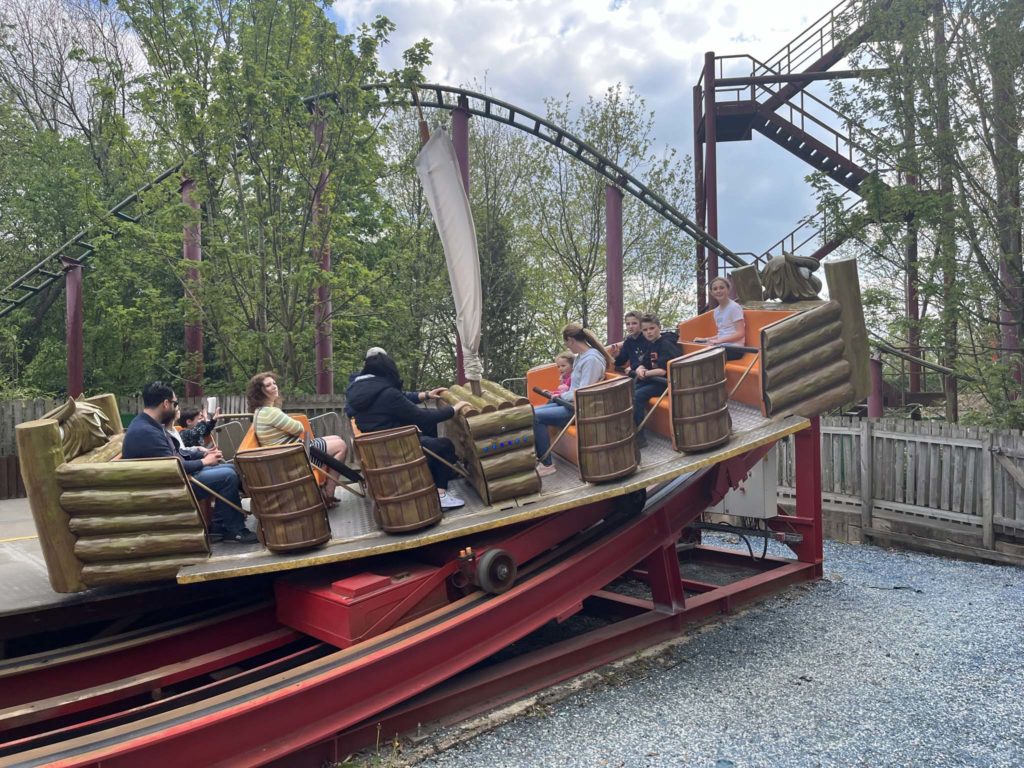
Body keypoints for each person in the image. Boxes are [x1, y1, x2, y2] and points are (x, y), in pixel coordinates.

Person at [122, 381, 257, 544]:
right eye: (175, 403)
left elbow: (176, 454)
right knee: (227, 476)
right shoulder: (146, 432)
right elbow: (173, 467)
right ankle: (234, 529)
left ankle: (220, 526)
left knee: (231, 468)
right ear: (165, 404)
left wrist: (202, 454)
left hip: (173, 478)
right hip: (168, 487)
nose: (176, 407)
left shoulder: (149, 424)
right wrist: (204, 462)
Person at [345, 351, 472, 510]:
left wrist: (426, 395)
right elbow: (422, 417)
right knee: (444, 445)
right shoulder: (387, 393)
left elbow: (400, 399)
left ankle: (432, 476)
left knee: (428, 432)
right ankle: (440, 495)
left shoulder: (359, 392)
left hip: (378, 450)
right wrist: (454, 409)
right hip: (397, 449)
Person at [246, 372, 350, 505]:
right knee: (341, 446)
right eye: (268, 385)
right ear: (260, 392)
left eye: (274, 383)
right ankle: (328, 492)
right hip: (294, 458)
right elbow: (299, 428)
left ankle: (324, 487)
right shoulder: (271, 412)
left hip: (289, 452)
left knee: (335, 438)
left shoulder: (260, 411)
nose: (274, 386)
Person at [534, 323, 614, 477]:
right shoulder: (581, 357)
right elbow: (574, 387)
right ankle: (539, 453)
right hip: (571, 402)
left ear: (571, 340)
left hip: (582, 407)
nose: (567, 347)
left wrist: (562, 396)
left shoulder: (591, 360)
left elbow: (583, 391)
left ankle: (547, 464)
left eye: (566, 343)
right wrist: (561, 394)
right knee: (532, 412)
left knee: (536, 417)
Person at [633, 314, 683, 445]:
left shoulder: (665, 344)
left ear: (659, 328)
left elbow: (662, 371)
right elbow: (644, 363)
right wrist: (640, 369)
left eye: (652, 328)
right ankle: (631, 429)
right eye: (645, 330)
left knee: (637, 396)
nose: (649, 332)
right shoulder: (652, 344)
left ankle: (640, 437)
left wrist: (645, 373)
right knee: (629, 391)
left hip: (667, 383)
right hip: (655, 380)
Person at [695, 276, 747, 360]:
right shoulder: (716, 311)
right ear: (712, 293)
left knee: (702, 358)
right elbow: (722, 334)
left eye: (722, 288)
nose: (718, 291)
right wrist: (705, 339)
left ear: (728, 289)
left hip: (735, 349)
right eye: (715, 289)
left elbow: (740, 333)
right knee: (694, 353)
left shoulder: (734, 307)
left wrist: (719, 341)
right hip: (721, 346)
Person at [611, 311, 645, 375]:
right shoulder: (628, 341)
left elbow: (647, 360)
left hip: (647, 373)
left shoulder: (647, 338)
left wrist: (632, 367)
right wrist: (617, 356)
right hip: (634, 374)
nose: (630, 326)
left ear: (641, 325)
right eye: (628, 324)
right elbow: (620, 362)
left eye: (634, 323)